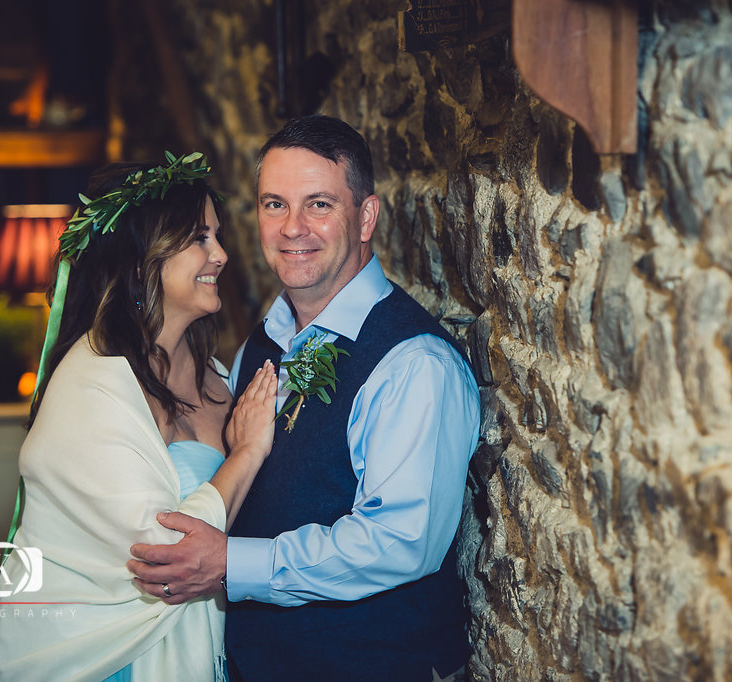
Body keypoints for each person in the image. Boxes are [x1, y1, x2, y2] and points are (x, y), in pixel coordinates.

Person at [128, 116, 481, 681]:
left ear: (366, 217)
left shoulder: (415, 363)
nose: (292, 228)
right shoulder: (260, 343)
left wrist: (232, 563)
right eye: (275, 204)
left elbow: (400, 541)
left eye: (319, 204)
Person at [0, 155, 278, 681]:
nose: (221, 255)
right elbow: (166, 560)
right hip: (103, 659)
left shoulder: (217, 376)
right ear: (141, 263)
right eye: (199, 238)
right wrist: (249, 451)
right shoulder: (91, 384)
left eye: (217, 236)